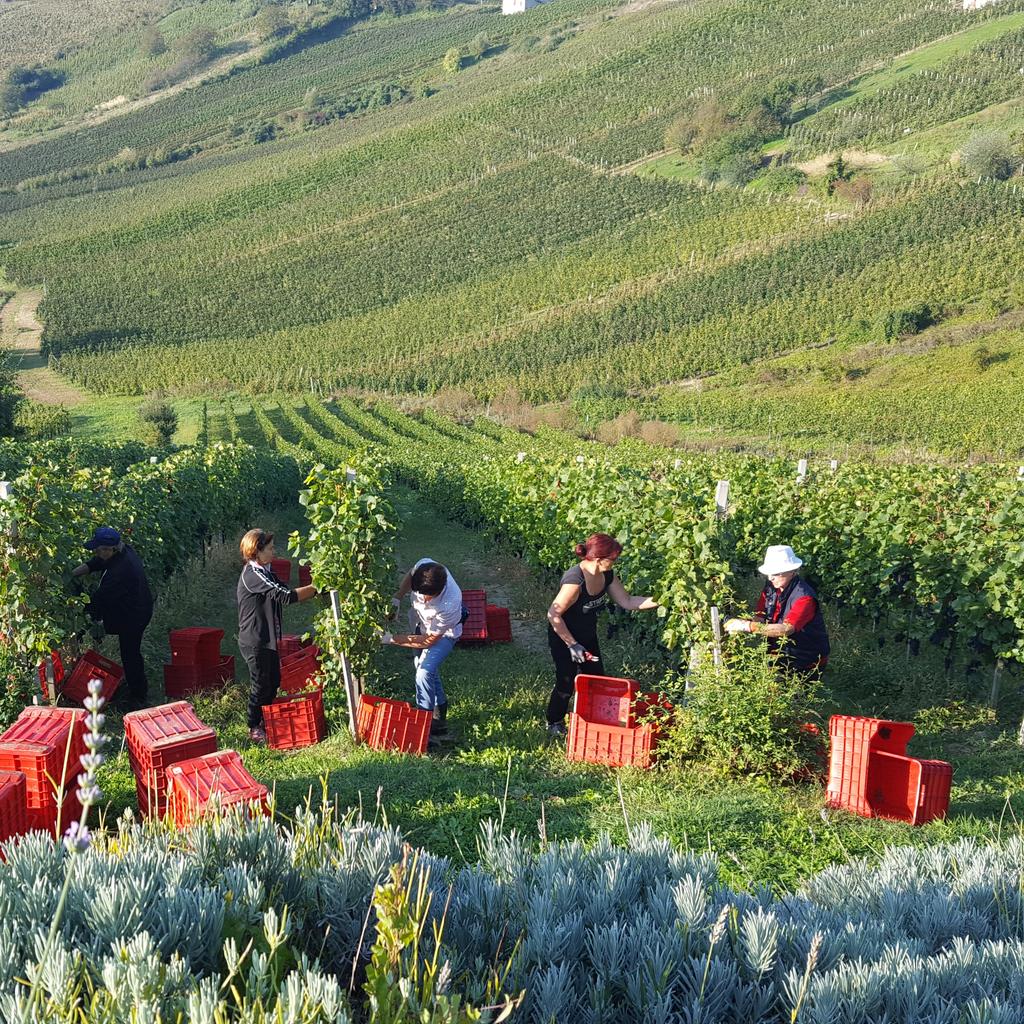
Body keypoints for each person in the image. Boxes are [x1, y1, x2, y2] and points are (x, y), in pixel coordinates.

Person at [546, 533, 658, 739]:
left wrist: (661, 599)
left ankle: (594, 720)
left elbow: (628, 601)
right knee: (566, 681)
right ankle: (554, 721)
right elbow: (553, 615)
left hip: (587, 636)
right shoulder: (575, 581)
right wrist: (572, 645)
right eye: (613, 559)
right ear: (598, 559)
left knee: (597, 678)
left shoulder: (607, 575)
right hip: (564, 638)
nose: (615, 562)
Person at [237, 529, 318, 743]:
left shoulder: (265, 572)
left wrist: (315, 588)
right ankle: (253, 726)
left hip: (267, 638)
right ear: (257, 550)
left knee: (273, 681)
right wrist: (317, 587)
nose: (274, 552)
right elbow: (286, 596)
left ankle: (266, 721)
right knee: (261, 683)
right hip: (255, 640)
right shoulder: (252, 575)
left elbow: (284, 588)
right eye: (270, 548)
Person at [71, 526, 154, 712]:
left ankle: (139, 698)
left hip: (134, 615)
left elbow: (98, 602)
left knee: (130, 653)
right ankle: (136, 690)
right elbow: (98, 563)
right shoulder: (123, 551)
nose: (96, 553)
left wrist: (76, 606)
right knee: (130, 652)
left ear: (110, 549)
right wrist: (73, 573)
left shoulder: (119, 573)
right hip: (137, 606)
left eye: (99, 549)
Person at [383, 558, 463, 743]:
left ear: (440, 591)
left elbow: (428, 641)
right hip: (420, 623)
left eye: (429, 597)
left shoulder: (450, 602)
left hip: (444, 634)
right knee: (421, 664)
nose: (424, 599)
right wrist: (398, 597)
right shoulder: (424, 567)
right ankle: (439, 712)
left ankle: (424, 725)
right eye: (420, 594)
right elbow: (411, 573)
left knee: (424, 671)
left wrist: (391, 639)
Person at [724, 544, 830, 675]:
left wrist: (747, 626)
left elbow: (786, 629)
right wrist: (738, 624)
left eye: (776, 573)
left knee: (795, 694)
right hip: (778, 656)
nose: (770, 577)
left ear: (792, 571)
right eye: (769, 573)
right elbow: (760, 617)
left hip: (806, 660)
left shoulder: (804, 597)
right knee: (773, 690)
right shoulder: (771, 588)